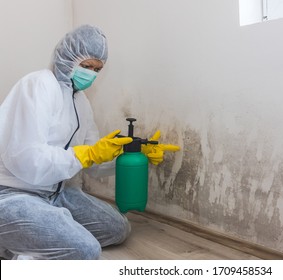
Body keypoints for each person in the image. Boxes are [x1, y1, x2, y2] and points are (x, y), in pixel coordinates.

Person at [0, 25, 179, 260]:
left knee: (118, 228)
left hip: (57, 192)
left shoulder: (81, 101)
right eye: (86, 66)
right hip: (14, 194)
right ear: (67, 57)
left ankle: (34, 232)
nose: (92, 74)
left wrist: (131, 153)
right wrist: (84, 154)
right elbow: (26, 158)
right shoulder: (38, 85)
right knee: (85, 251)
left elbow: (94, 162)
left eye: (97, 69)